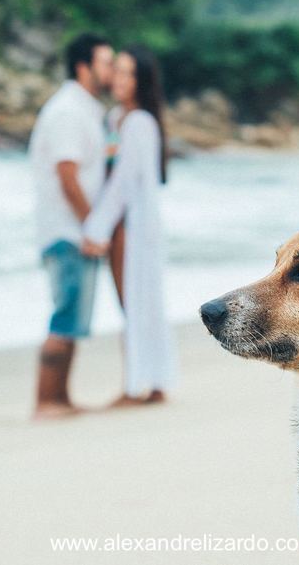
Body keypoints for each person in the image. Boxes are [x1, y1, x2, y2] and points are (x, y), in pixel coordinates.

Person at [82, 45, 175, 405]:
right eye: (117, 71)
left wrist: (95, 228)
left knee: (140, 303)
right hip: (122, 222)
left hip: (136, 225)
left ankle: (141, 386)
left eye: (129, 73)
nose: (120, 80)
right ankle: (145, 382)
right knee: (132, 303)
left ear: (142, 81)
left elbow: (124, 182)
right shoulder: (115, 118)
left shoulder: (139, 122)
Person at [27, 33, 115, 420]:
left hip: (71, 231)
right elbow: (67, 173)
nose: (111, 70)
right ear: (84, 67)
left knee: (73, 317)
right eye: (106, 63)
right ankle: (47, 401)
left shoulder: (82, 109)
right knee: (65, 315)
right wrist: (92, 226)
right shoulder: (67, 111)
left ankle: (60, 398)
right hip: (67, 232)